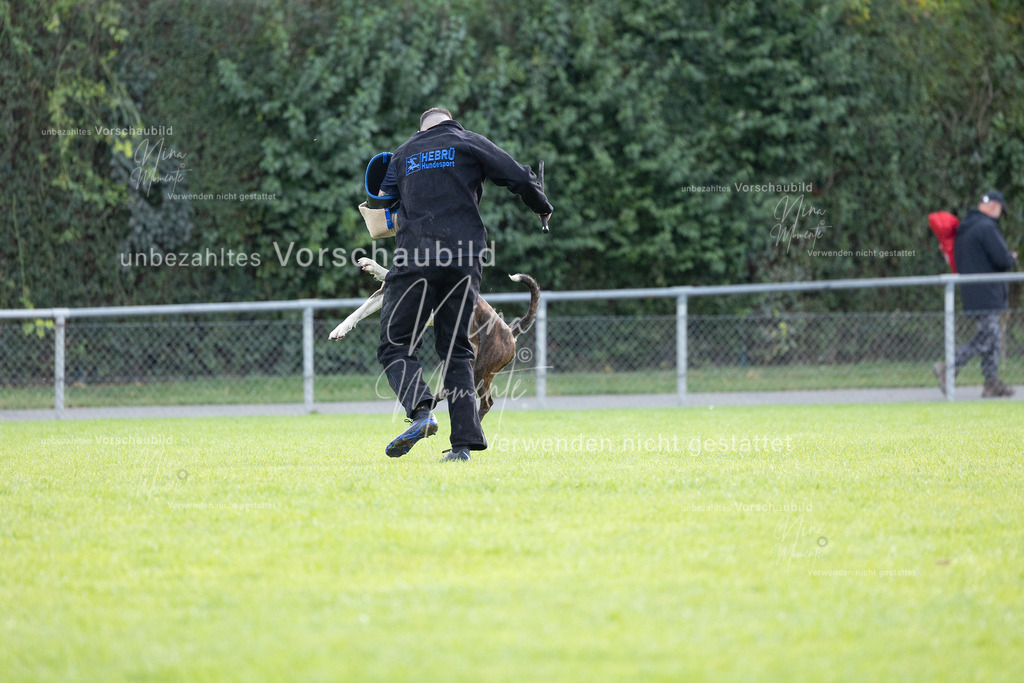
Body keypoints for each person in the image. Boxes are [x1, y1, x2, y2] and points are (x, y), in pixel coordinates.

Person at [375, 108, 552, 461]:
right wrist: (542, 206)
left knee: (395, 346)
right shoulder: (468, 141)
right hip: (463, 257)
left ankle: (423, 413)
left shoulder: (402, 154)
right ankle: (462, 447)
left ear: (421, 127)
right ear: (450, 122)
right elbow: (517, 175)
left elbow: (382, 206)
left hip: (415, 258)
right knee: (457, 350)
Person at [934, 190, 1017, 397]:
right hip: (988, 291)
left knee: (993, 337)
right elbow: (1002, 260)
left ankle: (991, 382)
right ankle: (949, 367)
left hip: (972, 291)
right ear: (994, 206)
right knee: (988, 336)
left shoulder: (964, 228)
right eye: (999, 210)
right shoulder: (987, 228)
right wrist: (1011, 257)